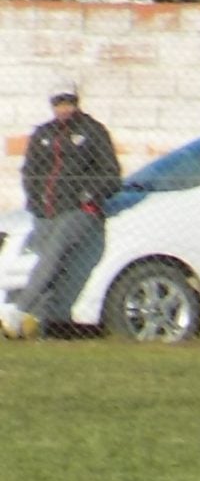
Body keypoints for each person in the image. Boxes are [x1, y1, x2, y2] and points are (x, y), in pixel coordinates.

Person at [2, 81, 121, 340]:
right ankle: (40, 327)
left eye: (69, 102)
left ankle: (19, 310)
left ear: (77, 102)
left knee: (53, 253)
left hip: (80, 211)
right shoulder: (43, 134)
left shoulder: (93, 131)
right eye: (59, 103)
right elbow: (31, 171)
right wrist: (36, 200)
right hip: (46, 211)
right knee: (49, 264)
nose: (64, 108)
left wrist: (87, 195)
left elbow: (111, 175)